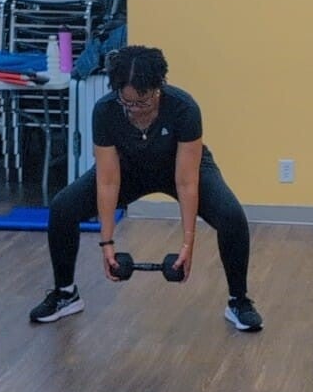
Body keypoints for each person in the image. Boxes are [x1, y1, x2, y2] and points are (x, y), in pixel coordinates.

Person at [29, 45, 263, 332]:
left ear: (158, 87)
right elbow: (107, 180)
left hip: (180, 168)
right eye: (127, 103)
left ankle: (239, 301)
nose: (135, 110)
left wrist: (187, 244)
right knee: (63, 207)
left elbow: (186, 181)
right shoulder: (105, 111)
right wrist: (107, 243)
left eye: (143, 102)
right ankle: (65, 294)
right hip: (128, 170)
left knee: (232, 216)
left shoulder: (184, 108)